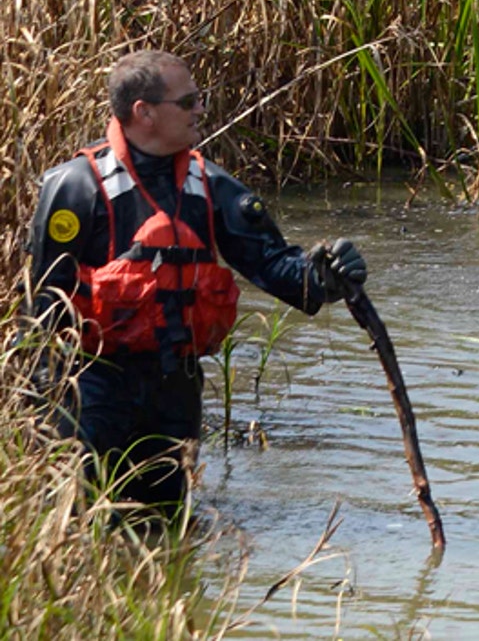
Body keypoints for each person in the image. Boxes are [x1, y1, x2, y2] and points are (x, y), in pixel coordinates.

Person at [24, 50, 368, 514]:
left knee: (168, 535)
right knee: (80, 527)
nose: (201, 110)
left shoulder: (212, 187)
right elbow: (43, 306)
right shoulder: (75, 187)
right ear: (143, 112)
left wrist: (328, 275)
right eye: (188, 102)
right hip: (93, 393)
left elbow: (279, 270)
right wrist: (39, 402)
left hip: (174, 396)